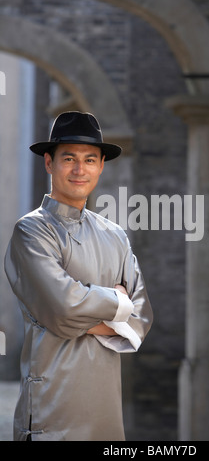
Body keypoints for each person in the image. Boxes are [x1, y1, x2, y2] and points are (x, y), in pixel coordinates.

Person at [4, 111, 153, 441]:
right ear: (49, 162)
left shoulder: (115, 235)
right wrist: (118, 303)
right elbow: (62, 308)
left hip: (106, 418)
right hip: (51, 413)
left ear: (101, 166)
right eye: (68, 157)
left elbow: (141, 319)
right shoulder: (31, 231)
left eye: (89, 159)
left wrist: (81, 311)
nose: (78, 169)